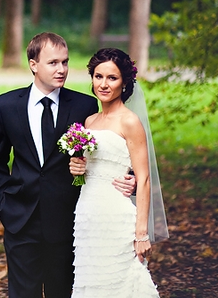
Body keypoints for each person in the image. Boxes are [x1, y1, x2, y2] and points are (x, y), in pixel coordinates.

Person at [0, 32, 136, 298]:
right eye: (53, 62)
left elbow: (110, 146)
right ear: (33, 64)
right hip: (20, 218)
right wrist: (3, 205)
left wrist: (131, 177)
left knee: (62, 292)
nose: (62, 69)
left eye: (65, 62)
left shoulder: (84, 105)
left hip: (67, 220)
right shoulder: (7, 105)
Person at [69, 48, 168, 297]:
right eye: (98, 76)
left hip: (115, 216)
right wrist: (77, 168)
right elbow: (91, 168)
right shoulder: (89, 122)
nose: (103, 84)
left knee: (118, 280)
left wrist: (141, 234)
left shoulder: (129, 121)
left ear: (124, 82)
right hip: (87, 215)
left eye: (112, 78)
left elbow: (143, 179)